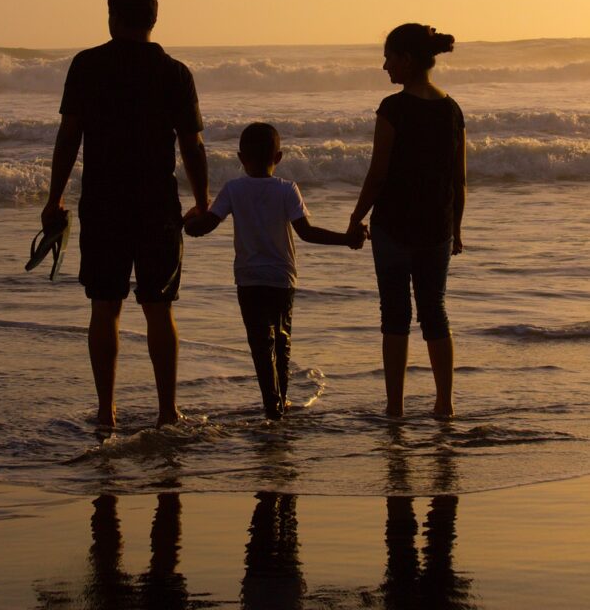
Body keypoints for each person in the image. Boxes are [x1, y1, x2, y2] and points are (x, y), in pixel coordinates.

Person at [41, 0, 209, 429]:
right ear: (154, 17)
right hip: (157, 203)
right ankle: (167, 411)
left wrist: (54, 197)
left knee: (105, 306)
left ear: (113, 16)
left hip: (103, 201)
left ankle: (105, 411)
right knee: (159, 307)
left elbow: (69, 136)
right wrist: (203, 200)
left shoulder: (87, 66)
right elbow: (192, 146)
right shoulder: (174, 72)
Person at [185, 122, 366, 420]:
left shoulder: (233, 189)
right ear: (279, 157)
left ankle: (272, 406)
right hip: (283, 279)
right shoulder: (286, 189)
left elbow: (203, 227)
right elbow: (306, 233)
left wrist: (184, 221)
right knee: (282, 341)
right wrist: (346, 239)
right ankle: (280, 401)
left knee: (260, 344)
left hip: (249, 279)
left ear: (241, 158)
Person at [348, 24, 466, 419]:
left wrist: (355, 217)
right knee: (435, 310)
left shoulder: (393, 108)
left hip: (394, 226)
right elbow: (458, 177)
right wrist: (458, 227)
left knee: (394, 314)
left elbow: (377, 173)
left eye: (389, 57)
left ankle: (395, 406)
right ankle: (444, 403)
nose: (385, 66)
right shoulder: (451, 109)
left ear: (407, 59)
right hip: (437, 226)